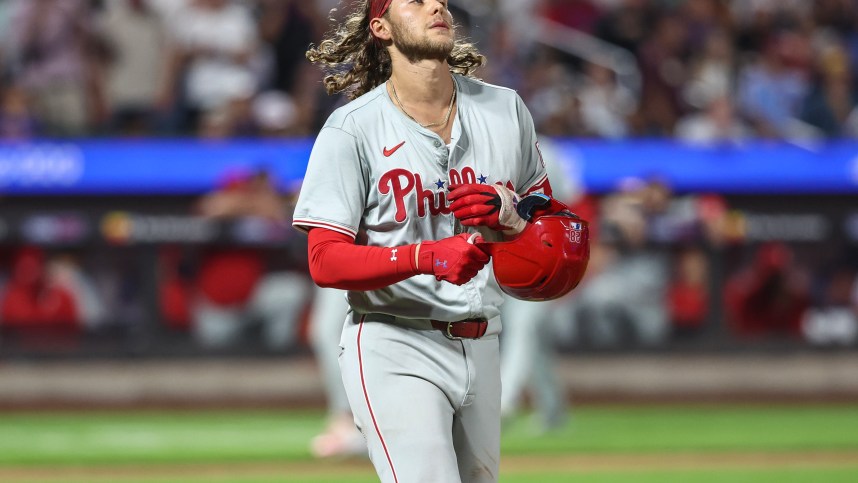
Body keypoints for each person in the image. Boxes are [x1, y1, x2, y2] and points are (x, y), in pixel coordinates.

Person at [293, 1, 555, 481]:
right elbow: (324, 260)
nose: (436, 4)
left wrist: (512, 217)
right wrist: (426, 257)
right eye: (414, 0)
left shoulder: (505, 109)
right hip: (396, 340)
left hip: (483, 338)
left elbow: (549, 218)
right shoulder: (353, 127)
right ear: (381, 28)